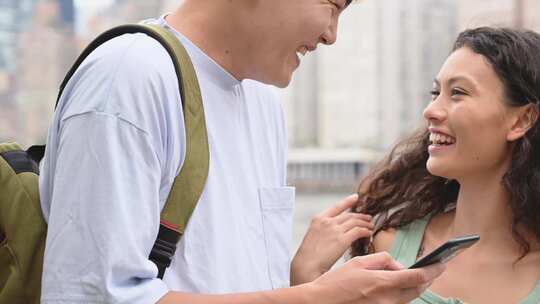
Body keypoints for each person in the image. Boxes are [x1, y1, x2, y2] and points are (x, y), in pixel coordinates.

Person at [39, 1, 444, 303]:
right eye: (332, 5)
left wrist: (302, 276)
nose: (331, 35)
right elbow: (91, 296)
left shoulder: (263, 102)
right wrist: (317, 297)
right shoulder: (129, 79)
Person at [351, 27, 540, 303]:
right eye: (435, 92)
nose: (430, 110)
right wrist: (308, 276)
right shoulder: (388, 250)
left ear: (522, 120)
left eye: (458, 93)